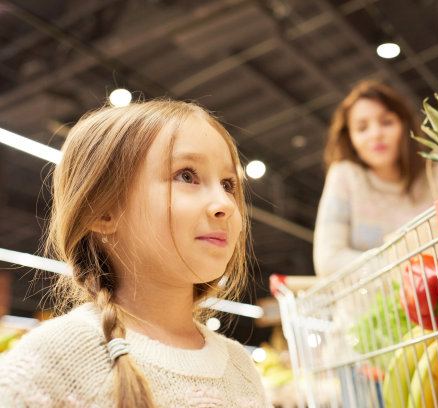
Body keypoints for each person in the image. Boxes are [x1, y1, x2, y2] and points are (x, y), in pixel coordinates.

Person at [0, 100, 267, 407]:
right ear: (103, 212)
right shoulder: (58, 357)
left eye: (228, 184)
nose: (225, 204)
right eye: (186, 176)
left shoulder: (240, 368)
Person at [313, 80, 438, 277]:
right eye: (362, 128)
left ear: (404, 127)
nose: (376, 134)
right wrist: (404, 267)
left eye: (387, 122)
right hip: (372, 304)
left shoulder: (437, 171)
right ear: (351, 138)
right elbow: (328, 260)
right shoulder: (345, 175)